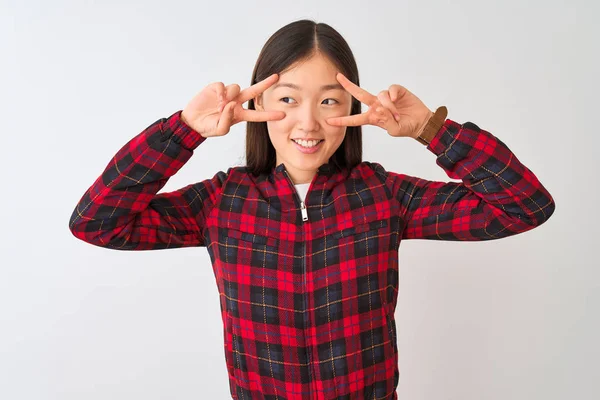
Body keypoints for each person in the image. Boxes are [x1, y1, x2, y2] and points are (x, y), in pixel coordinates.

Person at [68, 19, 555, 400]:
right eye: (287, 99)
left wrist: (432, 129)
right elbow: (96, 222)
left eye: (329, 101)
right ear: (259, 104)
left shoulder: (383, 196)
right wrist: (184, 130)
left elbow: (523, 207)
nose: (308, 121)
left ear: (354, 107)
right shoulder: (220, 201)